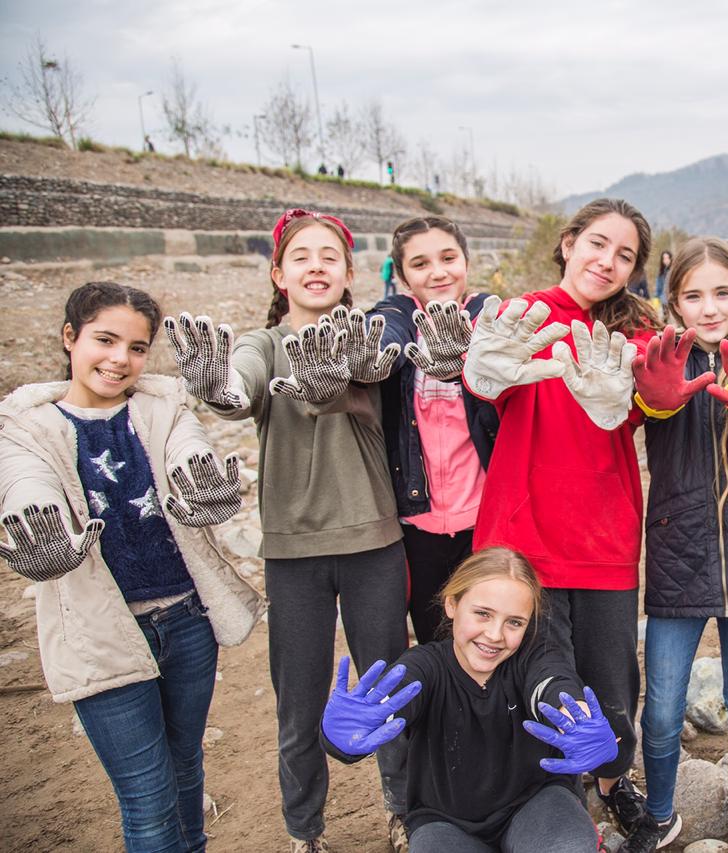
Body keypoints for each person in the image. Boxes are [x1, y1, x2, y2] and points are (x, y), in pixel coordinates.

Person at [164, 208, 411, 853]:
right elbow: (237, 391)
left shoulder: (368, 342)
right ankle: (305, 830)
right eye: (300, 256)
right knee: (297, 702)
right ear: (278, 273)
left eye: (330, 256)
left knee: (385, 689)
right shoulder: (261, 344)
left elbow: (376, 369)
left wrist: (349, 369)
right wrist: (212, 386)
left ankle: (405, 811)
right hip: (294, 553)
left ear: (350, 271)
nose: (316, 266)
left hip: (374, 545)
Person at [0, 281, 264, 852]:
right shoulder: (24, 425)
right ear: (70, 338)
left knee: (187, 767)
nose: (121, 359)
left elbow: (186, 449)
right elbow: (26, 482)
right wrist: (36, 517)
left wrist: (204, 482)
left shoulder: (163, 404)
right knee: (146, 798)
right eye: (105, 339)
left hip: (187, 623)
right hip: (102, 633)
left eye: (137, 347)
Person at [461, 197, 660, 840]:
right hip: (524, 536)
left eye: (624, 255)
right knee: (544, 685)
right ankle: (556, 807)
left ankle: (612, 782)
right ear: (569, 242)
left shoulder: (637, 334)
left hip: (604, 535)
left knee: (612, 685)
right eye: (597, 243)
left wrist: (633, 391)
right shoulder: (525, 317)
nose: (607, 261)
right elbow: (488, 385)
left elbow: (647, 410)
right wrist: (482, 372)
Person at [625, 237, 728, 853]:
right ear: (674, 302)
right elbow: (633, 410)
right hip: (679, 553)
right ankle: (661, 813)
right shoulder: (659, 360)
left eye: (721, 292)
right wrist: (651, 399)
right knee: (663, 707)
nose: (709, 306)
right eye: (693, 295)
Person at [319, 547, 617, 852]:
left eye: (514, 622)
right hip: (444, 822)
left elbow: (553, 683)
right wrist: (346, 733)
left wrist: (578, 718)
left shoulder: (534, 657)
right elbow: (398, 693)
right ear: (452, 604)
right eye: (483, 614)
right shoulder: (426, 666)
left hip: (537, 803)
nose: (494, 634)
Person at [367, 216, 497, 644]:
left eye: (448, 258)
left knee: (488, 633)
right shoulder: (399, 315)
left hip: (485, 519)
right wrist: (379, 352)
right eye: (420, 264)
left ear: (466, 260)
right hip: (417, 523)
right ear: (403, 276)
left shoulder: (487, 315)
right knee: (435, 637)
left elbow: (499, 337)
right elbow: (387, 328)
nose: (438, 272)